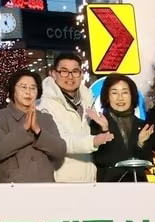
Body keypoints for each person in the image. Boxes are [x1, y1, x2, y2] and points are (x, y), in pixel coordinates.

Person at [38, 52, 111, 182]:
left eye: (75, 71)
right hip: (61, 181)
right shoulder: (43, 105)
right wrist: (92, 142)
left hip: (90, 180)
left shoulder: (87, 100)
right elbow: (58, 141)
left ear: (81, 74)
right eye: (64, 71)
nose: (70, 76)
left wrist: (104, 129)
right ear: (53, 73)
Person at [0, 69, 66, 183]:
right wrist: (24, 128)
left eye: (33, 88)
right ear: (13, 90)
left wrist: (38, 131)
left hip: (44, 184)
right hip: (12, 186)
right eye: (23, 87)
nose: (28, 92)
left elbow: (60, 150)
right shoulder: (0, 116)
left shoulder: (45, 118)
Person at [93, 74, 155, 182]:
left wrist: (140, 144)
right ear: (107, 97)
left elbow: (148, 161)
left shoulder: (142, 125)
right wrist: (105, 131)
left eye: (125, 92)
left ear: (132, 95)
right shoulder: (98, 123)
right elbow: (100, 159)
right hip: (109, 185)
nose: (120, 98)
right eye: (114, 93)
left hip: (138, 185)